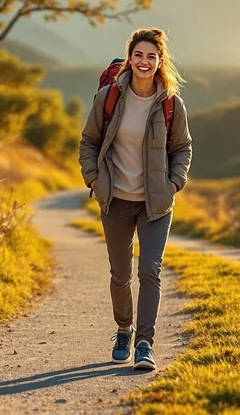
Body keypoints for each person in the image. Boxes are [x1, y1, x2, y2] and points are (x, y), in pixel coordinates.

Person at [78, 27, 192, 370]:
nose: (144, 62)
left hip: (155, 203)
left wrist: (175, 182)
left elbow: (183, 147)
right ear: (130, 58)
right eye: (139, 55)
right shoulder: (109, 98)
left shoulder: (171, 103)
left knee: (150, 270)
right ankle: (124, 330)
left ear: (160, 62)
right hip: (115, 200)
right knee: (120, 274)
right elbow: (88, 143)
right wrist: (95, 181)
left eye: (151, 56)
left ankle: (145, 343)